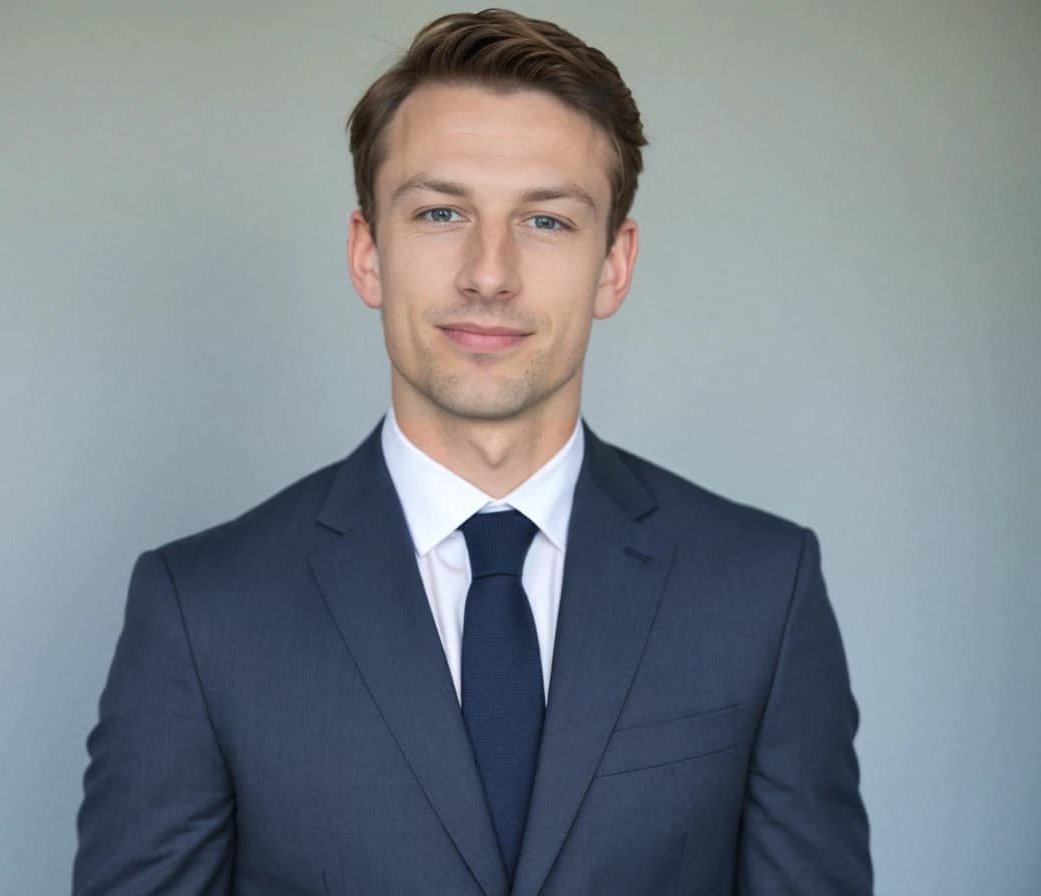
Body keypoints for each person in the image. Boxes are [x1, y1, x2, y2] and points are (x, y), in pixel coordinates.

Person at [73, 8, 872, 894]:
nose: (488, 273)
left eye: (547, 222)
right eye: (441, 210)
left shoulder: (763, 588)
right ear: (368, 253)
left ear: (615, 265)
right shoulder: (201, 612)